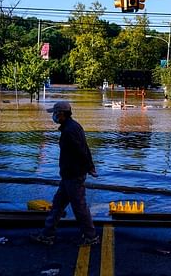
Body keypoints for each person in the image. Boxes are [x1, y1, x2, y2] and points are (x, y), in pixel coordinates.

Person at [32, 101, 99, 246]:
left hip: (73, 175)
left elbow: (81, 151)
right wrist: (90, 166)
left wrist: (89, 167)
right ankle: (47, 234)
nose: (54, 116)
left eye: (55, 113)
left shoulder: (69, 131)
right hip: (69, 175)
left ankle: (91, 236)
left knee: (79, 207)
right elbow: (85, 148)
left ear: (62, 114)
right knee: (58, 205)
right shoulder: (74, 127)